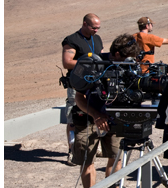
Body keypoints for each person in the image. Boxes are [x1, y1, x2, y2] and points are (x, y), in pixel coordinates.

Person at [72, 34, 141, 188]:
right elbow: (79, 97)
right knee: (87, 161)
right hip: (88, 118)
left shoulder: (129, 67)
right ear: (116, 54)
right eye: (126, 58)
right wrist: (96, 115)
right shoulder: (92, 64)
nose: (129, 62)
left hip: (115, 118)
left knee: (116, 158)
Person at [61, 13, 103, 166]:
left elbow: (101, 57)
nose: (96, 30)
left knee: (94, 114)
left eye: (98, 27)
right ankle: (72, 150)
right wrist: (89, 63)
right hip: (78, 84)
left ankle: (93, 147)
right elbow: (67, 62)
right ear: (85, 24)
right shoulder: (72, 40)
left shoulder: (97, 39)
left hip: (95, 85)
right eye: (93, 27)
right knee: (74, 117)